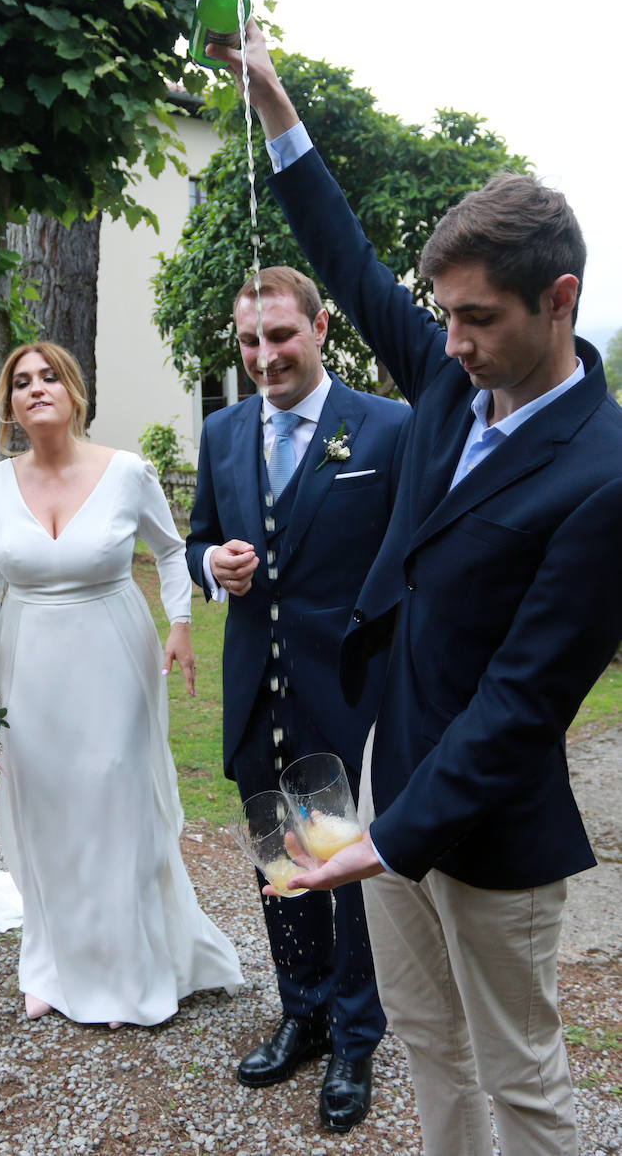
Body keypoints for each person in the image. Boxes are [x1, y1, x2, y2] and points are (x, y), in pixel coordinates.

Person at [209, 19, 622, 1155]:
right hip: (391, 770)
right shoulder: (448, 378)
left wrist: (389, 840)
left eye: (476, 318)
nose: (449, 342)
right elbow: (342, 259)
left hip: (488, 825)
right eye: (440, 315)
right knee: (428, 1048)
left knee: (522, 1077)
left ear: (559, 300)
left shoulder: (603, 476)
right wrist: (275, 108)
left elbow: (525, 701)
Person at [0, 341, 243, 1027]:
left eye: (48, 376)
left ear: (74, 391)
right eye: (21, 382)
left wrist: (179, 625)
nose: (36, 388)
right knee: (48, 810)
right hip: (29, 663)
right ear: (10, 405)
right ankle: (53, 964)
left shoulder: (126, 473)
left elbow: (172, 551)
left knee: (116, 802)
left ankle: (126, 971)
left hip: (114, 653)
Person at [186, 266, 409, 1131]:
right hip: (256, 689)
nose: (264, 355)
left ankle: (357, 1036)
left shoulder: (386, 428)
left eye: (280, 336)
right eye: (249, 341)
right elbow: (202, 534)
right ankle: (304, 1011)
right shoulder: (221, 431)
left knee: (346, 861)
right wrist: (213, 566)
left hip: (348, 690)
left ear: (319, 327)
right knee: (279, 860)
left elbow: (407, 561)